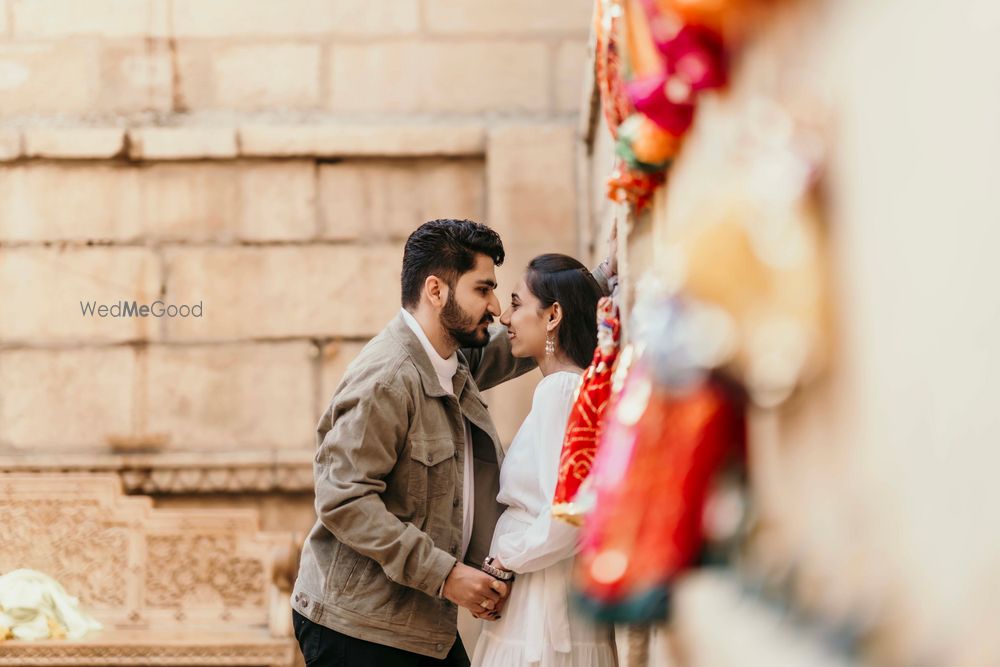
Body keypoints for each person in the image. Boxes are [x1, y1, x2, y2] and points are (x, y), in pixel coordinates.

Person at [291, 219, 613, 666]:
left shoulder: (451, 363)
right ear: (436, 291)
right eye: (483, 290)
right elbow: (343, 499)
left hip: (422, 623)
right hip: (358, 627)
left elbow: (521, 341)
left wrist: (589, 285)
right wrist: (446, 576)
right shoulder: (387, 378)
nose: (497, 306)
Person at [472, 254, 617, 667]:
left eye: (517, 304)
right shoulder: (571, 389)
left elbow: (569, 516)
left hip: (543, 610)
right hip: (542, 600)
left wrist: (503, 561)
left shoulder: (559, 391)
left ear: (553, 315)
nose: (506, 319)